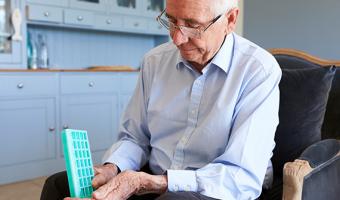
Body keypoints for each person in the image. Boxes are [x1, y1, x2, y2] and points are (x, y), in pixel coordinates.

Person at [41, 0, 281, 199]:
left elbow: (242, 176)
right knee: (57, 185)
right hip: (154, 178)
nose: (177, 38)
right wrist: (112, 168)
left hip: (219, 189)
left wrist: (152, 183)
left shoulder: (258, 70)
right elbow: (134, 137)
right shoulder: (154, 62)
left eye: (192, 25)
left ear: (229, 20)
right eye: (172, 20)